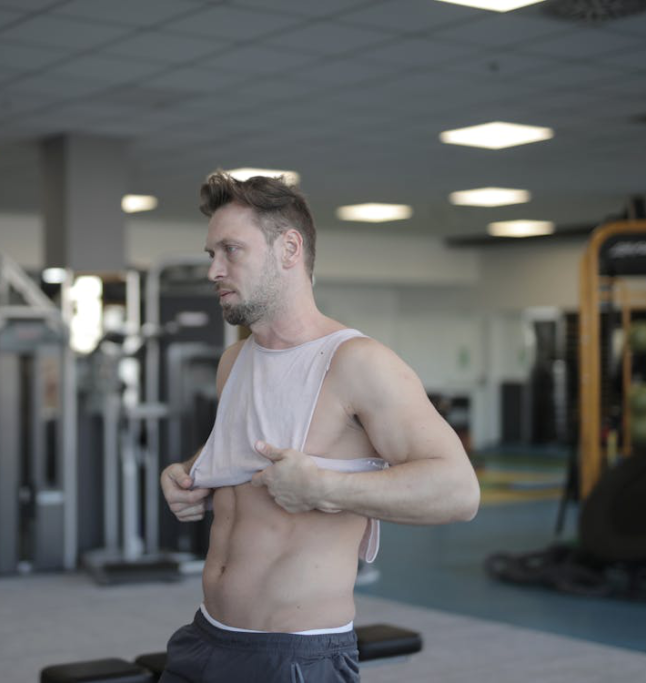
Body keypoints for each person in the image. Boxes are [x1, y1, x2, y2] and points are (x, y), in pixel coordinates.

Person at [158, 172, 481, 682]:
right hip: (206, 636)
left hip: (294, 656)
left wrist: (324, 488)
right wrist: (187, 473)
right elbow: (248, 448)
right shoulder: (234, 360)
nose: (214, 270)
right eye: (210, 254)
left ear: (289, 249)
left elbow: (459, 493)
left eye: (230, 251)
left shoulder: (357, 362)